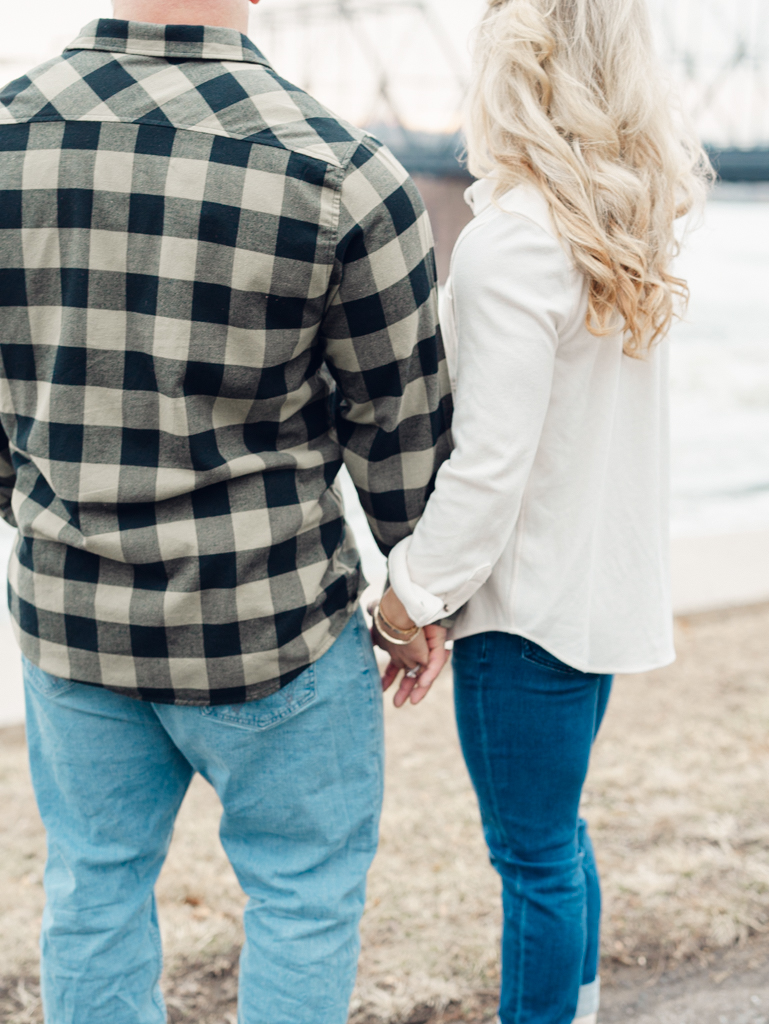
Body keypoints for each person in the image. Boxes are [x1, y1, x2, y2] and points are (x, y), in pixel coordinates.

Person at [0, 1, 452, 1021]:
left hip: (73, 623)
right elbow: (402, 431)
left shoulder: (10, 137)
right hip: (270, 624)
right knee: (301, 894)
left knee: (93, 889)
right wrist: (414, 592)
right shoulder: (345, 173)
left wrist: (50, 507)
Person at [371, 1, 712, 1022]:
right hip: (592, 600)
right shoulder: (619, 233)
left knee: (531, 862)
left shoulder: (512, 245)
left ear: (510, 77)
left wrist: (411, 593)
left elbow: (487, 469)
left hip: (520, 617)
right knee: (557, 839)